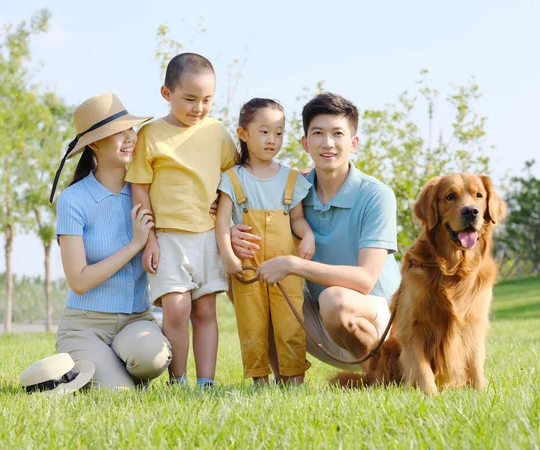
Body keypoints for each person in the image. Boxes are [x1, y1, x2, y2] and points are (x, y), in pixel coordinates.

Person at [231, 93, 401, 373]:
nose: (328, 143)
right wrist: (232, 233)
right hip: (324, 324)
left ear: (354, 143)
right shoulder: (292, 190)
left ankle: (385, 373)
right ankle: (281, 382)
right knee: (245, 272)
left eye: (337, 134)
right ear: (305, 143)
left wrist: (294, 264)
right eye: (318, 133)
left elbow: (365, 280)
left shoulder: (376, 195)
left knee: (334, 300)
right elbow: (243, 203)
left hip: (384, 327)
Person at [125, 53, 237, 388]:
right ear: (166, 93)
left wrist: (226, 210)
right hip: (168, 238)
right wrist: (150, 240)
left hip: (207, 236)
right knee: (176, 310)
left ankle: (206, 383)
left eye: (207, 100)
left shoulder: (218, 132)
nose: (198, 108)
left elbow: (233, 178)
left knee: (205, 312)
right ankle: (178, 381)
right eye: (189, 99)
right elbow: (140, 189)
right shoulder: (151, 135)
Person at [51, 93, 172, 390]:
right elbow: (78, 281)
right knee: (118, 396)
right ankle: (85, 369)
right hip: (85, 327)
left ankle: (104, 368)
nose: (130, 137)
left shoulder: (146, 191)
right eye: (118, 133)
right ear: (94, 143)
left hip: (136, 320)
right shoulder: (73, 200)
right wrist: (134, 244)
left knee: (152, 359)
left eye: (130, 129)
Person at [216, 98, 314, 385]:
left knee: (290, 322)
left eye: (279, 132)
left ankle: (295, 380)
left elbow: (297, 220)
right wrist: (230, 259)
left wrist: (307, 235)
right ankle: (259, 380)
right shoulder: (233, 179)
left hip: (286, 268)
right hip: (248, 266)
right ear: (243, 134)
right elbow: (222, 223)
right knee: (252, 324)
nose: (273, 140)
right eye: (264, 131)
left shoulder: (291, 178)